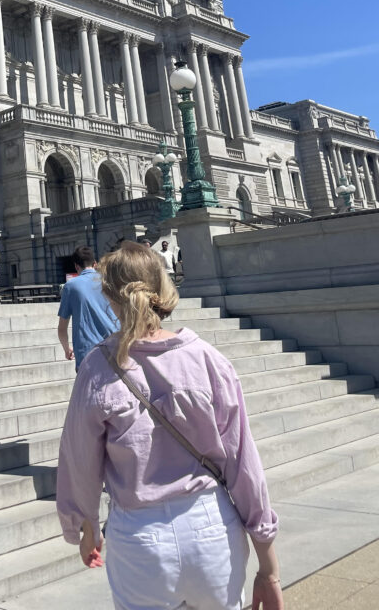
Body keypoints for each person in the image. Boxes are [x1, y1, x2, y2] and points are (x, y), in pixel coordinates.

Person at [56, 241, 283, 610]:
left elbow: (78, 461)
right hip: (211, 527)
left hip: (139, 537)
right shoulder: (207, 358)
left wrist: (84, 526)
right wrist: (268, 566)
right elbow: (244, 464)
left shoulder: (96, 369)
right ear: (162, 288)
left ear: (111, 299)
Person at [57, 246, 119, 370]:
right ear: (95, 263)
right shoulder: (109, 281)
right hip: (116, 347)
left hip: (87, 353)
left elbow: (62, 329)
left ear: (76, 266)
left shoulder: (70, 286)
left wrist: (66, 349)